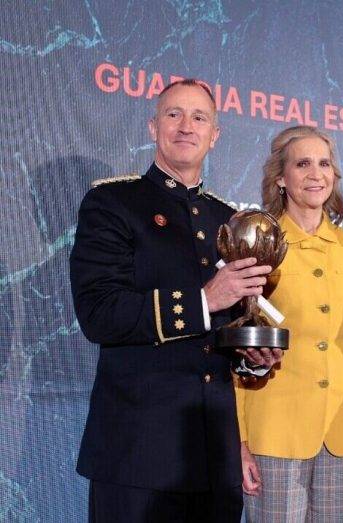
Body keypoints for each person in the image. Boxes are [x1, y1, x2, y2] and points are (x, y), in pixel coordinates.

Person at [70, 79, 279, 522]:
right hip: (137, 456)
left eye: (199, 117)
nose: (186, 126)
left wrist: (253, 357)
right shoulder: (112, 202)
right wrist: (204, 299)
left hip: (213, 456)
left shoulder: (229, 220)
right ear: (153, 127)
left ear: (215, 135)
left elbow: (225, 334)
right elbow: (99, 315)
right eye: (173, 114)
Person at [235, 125, 343, 522]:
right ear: (281, 178)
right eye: (302, 163)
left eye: (324, 163)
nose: (316, 173)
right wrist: (239, 439)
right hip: (275, 430)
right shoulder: (258, 242)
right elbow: (240, 346)